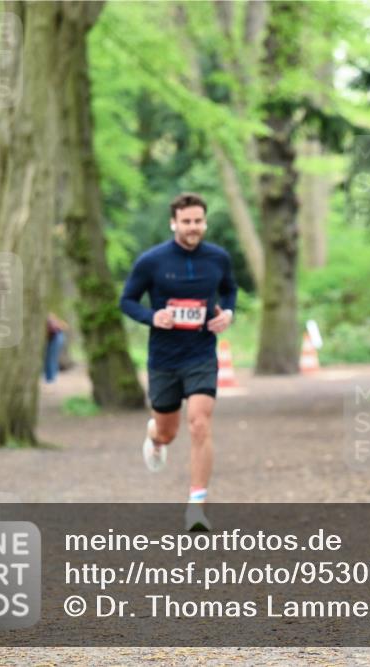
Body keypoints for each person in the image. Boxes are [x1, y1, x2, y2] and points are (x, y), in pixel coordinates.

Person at [120, 192, 237, 532]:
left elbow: (230, 290)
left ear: (205, 222)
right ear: (174, 222)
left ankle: (196, 506)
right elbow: (127, 300)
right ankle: (155, 437)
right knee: (169, 432)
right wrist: (152, 316)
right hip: (164, 359)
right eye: (186, 221)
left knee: (200, 423)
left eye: (198, 221)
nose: (192, 227)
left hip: (201, 354)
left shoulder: (218, 258)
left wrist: (227, 313)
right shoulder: (152, 261)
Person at [44, 313, 68, 383]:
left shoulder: (50, 319)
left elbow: (64, 326)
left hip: (55, 338)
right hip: (55, 338)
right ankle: (50, 377)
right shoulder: (51, 319)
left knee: (51, 358)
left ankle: (51, 377)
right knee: (51, 358)